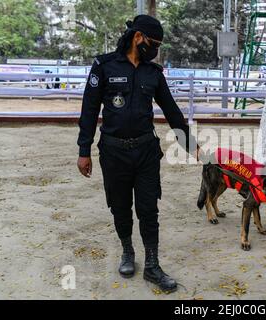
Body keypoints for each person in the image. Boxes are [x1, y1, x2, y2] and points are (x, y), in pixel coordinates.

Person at [76, 15, 199, 293]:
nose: (155, 49)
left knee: (148, 209)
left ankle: (153, 265)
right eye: (153, 43)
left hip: (145, 152)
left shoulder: (152, 73)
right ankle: (128, 251)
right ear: (138, 37)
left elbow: (171, 110)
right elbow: (89, 110)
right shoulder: (104, 66)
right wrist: (84, 150)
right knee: (120, 207)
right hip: (113, 152)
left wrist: (191, 145)